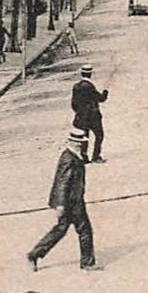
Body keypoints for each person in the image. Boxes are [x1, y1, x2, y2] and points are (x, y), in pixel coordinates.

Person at [28, 130, 98, 271]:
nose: (81, 144)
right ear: (71, 143)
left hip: (71, 200)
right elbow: (62, 182)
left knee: (60, 230)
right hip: (71, 202)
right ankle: (87, 263)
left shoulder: (73, 155)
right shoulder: (69, 158)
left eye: (82, 142)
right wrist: (60, 204)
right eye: (78, 142)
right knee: (85, 230)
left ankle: (35, 254)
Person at [71, 63, 109, 163]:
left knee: (84, 137)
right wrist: (105, 92)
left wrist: (79, 112)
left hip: (81, 117)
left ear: (81, 74)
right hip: (93, 117)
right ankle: (96, 156)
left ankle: (84, 157)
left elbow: (73, 104)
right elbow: (100, 99)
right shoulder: (90, 87)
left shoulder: (76, 86)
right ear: (90, 74)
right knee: (99, 135)